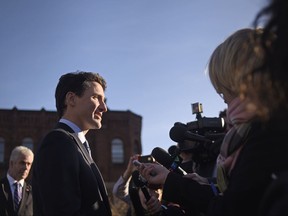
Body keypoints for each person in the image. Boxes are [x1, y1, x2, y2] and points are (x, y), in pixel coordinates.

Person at [138, 27, 288, 216]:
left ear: (244, 81)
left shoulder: (266, 137)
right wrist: (206, 185)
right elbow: (239, 198)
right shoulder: (261, 131)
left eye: (224, 91)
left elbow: (231, 209)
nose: (223, 100)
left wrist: (173, 192)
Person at [32, 71, 112, 215]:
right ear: (71, 99)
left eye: (104, 100)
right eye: (96, 98)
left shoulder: (76, 145)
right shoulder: (58, 142)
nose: (103, 107)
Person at [0, 146, 34, 216]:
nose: (26, 168)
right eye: (22, 163)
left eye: (29, 164)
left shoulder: (32, 193)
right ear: (11, 163)